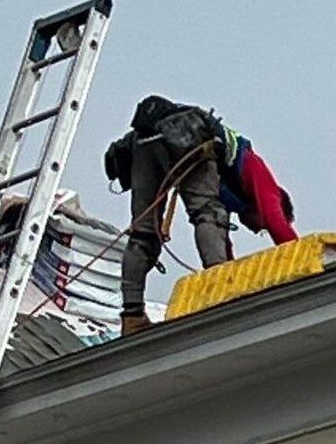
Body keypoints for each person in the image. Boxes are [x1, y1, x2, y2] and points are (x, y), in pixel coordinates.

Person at [104, 96, 298, 335]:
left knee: (144, 233)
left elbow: (222, 244)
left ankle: (132, 317)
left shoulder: (229, 193)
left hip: (143, 141)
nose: (258, 230)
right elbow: (277, 223)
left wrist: (231, 272)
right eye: (261, 228)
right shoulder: (261, 178)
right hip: (186, 136)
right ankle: (222, 297)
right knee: (207, 214)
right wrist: (304, 261)